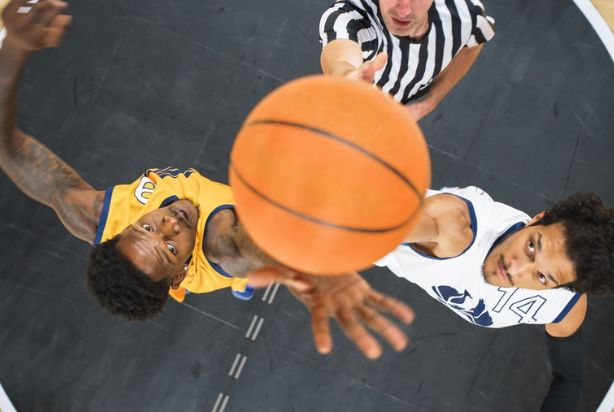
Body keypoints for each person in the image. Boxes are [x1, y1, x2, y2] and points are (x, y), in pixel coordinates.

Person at [0, 0, 414, 360]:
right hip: (248, 245)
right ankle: (246, 283)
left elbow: (10, 150)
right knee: (255, 256)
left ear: (122, 228)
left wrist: (14, 48)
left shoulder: (93, 218)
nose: (171, 224)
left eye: (148, 226)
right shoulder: (217, 244)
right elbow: (246, 245)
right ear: (180, 275)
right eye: (170, 249)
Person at [257, 186, 614, 411]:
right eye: (532, 246)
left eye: (541, 277)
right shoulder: (454, 228)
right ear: (539, 218)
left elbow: (570, 380)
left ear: (558, 288)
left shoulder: (561, 306)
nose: (516, 267)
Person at [319, 0, 495, 121]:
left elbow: (474, 42)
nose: (403, 10)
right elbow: (340, 58)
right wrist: (347, 79)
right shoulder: (350, 17)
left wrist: (428, 102)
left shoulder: (466, 14)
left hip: (396, 123)